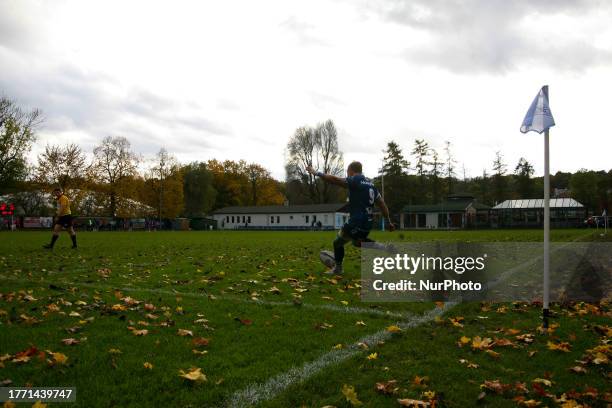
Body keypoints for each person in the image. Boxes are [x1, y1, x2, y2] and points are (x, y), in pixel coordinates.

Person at [306, 161, 395, 275]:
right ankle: (385, 247)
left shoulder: (355, 180)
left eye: (347, 173)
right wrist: (389, 221)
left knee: (337, 242)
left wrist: (317, 173)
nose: (347, 176)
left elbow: (336, 180)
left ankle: (338, 268)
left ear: (351, 171)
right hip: (367, 223)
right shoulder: (371, 185)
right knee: (358, 242)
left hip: (356, 221)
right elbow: (382, 204)